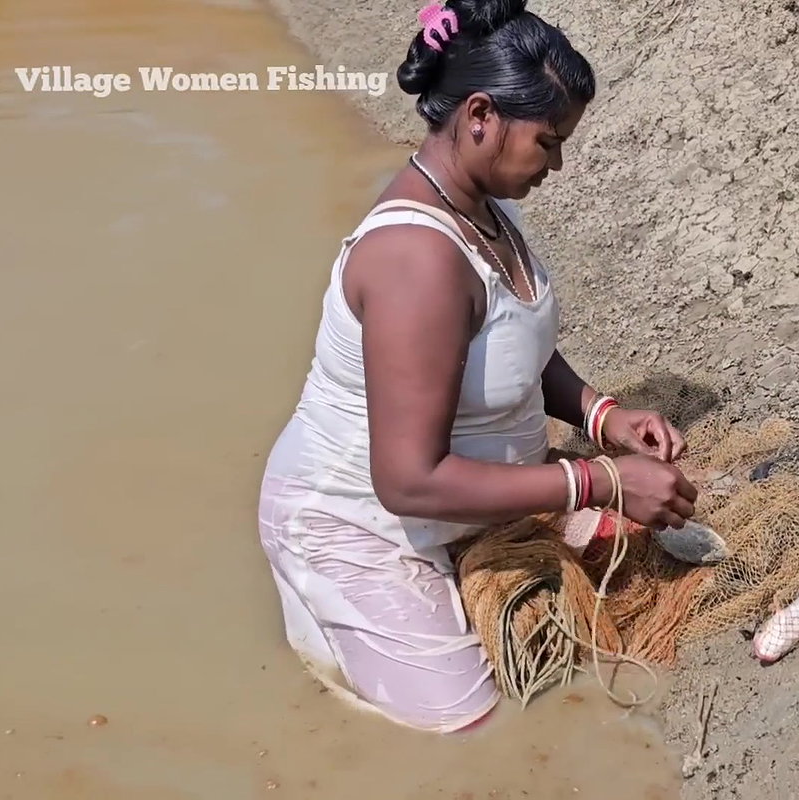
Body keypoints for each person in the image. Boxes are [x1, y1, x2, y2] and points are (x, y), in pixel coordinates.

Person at [256, 0, 699, 735]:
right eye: (548, 142)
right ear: (481, 116)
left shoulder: (487, 207)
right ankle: (327, 623)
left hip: (454, 501)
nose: (555, 165)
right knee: (466, 722)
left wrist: (602, 415)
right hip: (360, 521)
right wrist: (601, 477)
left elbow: (512, 340)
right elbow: (405, 480)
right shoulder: (417, 261)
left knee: (565, 633)